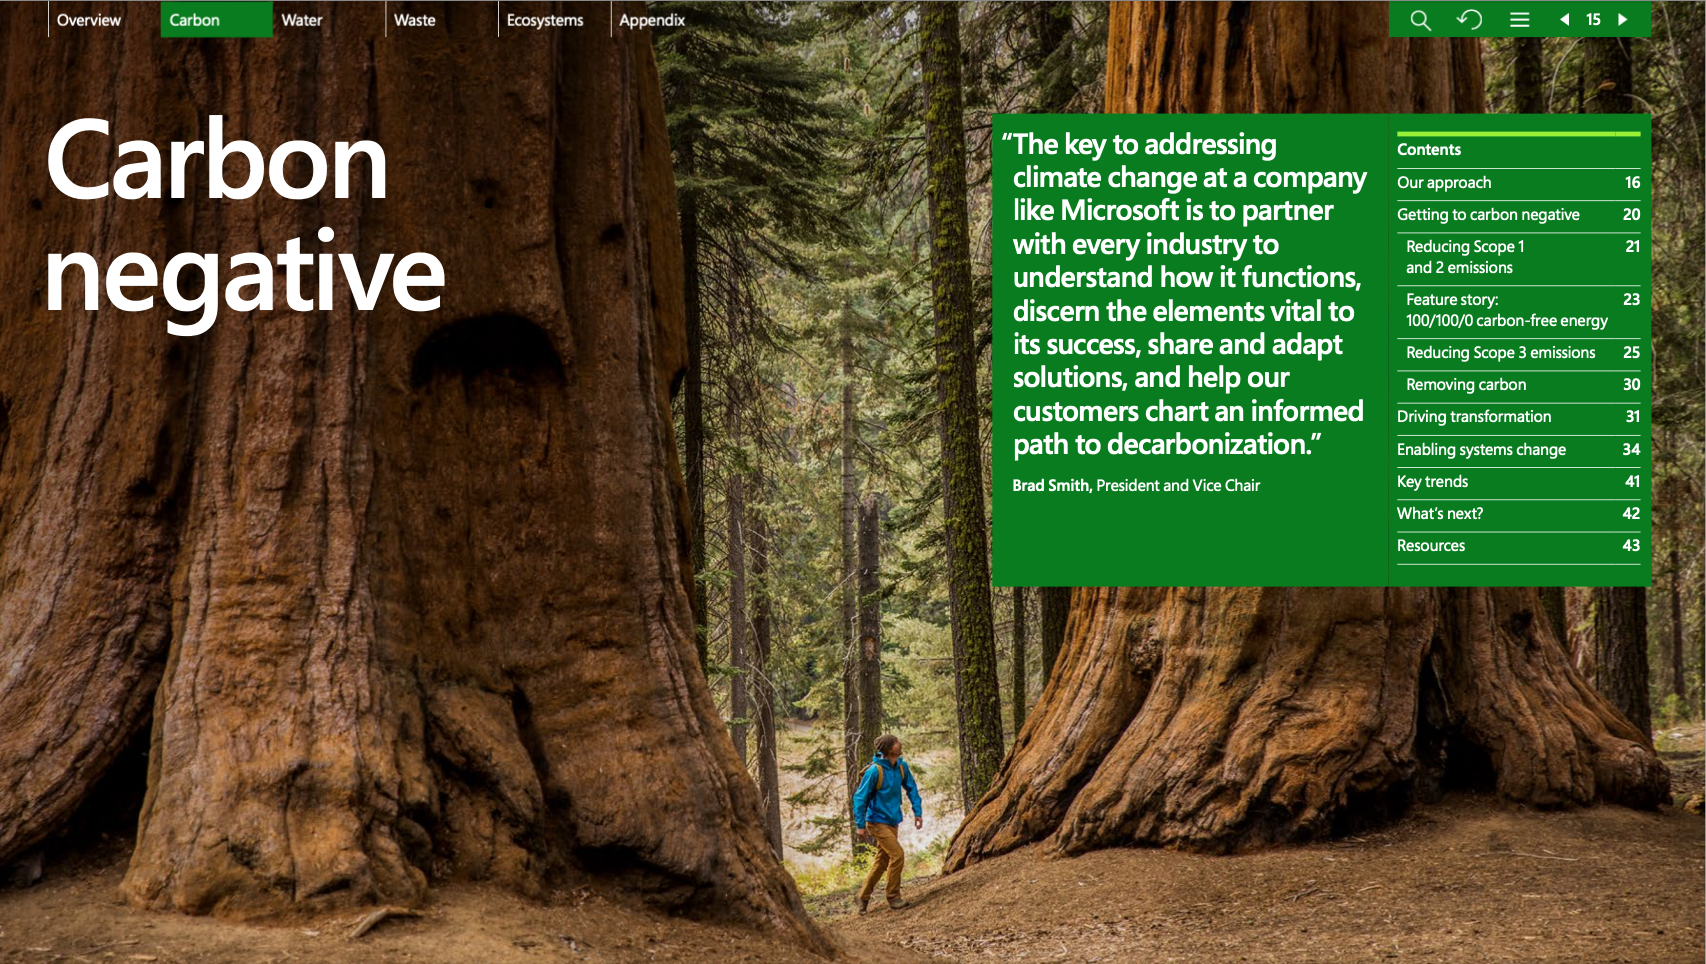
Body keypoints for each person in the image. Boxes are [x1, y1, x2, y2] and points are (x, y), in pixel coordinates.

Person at [851, 733, 923, 913]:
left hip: (892, 821)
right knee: (897, 855)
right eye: (897, 742)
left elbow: (911, 788)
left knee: (882, 862)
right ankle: (893, 897)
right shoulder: (875, 771)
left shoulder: (901, 766)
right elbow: (860, 798)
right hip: (876, 821)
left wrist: (917, 812)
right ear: (890, 749)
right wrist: (860, 825)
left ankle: (862, 896)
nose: (900, 743)